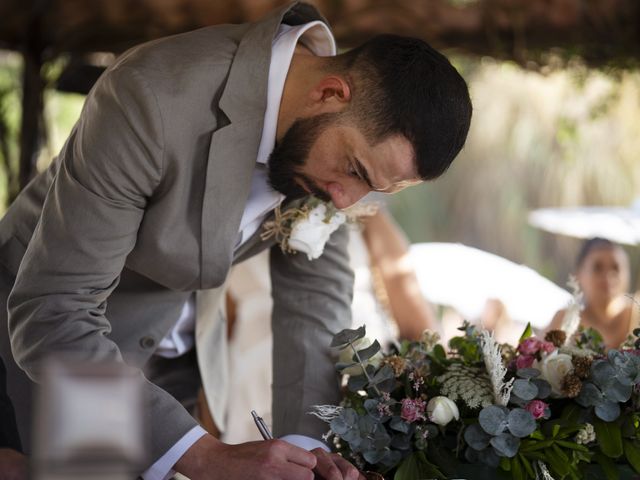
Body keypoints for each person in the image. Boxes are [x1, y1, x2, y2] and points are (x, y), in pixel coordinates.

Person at [0, 2, 472, 479]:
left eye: (373, 188)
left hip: (169, 363)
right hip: (41, 348)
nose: (345, 201)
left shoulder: (333, 150)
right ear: (329, 93)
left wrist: (307, 453)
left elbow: (312, 302)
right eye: (355, 171)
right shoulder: (152, 96)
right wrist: (206, 456)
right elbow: (55, 310)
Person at [218, 208, 439, 443]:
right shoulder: (240, 219)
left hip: (353, 376)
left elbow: (419, 329)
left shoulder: (364, 212)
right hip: (250, 391)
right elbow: (221, 328)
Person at [547, 237, 639, 349]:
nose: (608, 276)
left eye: (616, 268)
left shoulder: (636, 315)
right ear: (578, 274)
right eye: (598, 268)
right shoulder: (564, 320)